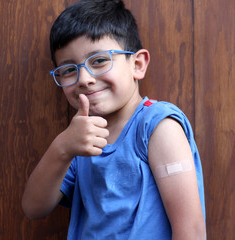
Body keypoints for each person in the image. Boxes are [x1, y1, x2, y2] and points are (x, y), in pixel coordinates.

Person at [21, 0, 206, 239]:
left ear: (137, 65)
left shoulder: (158, 126)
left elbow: (190, 230)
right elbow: (33, 208)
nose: (84, 79)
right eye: (68, 69)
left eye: (99, 60)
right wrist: (62, 147)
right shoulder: (79, 141)